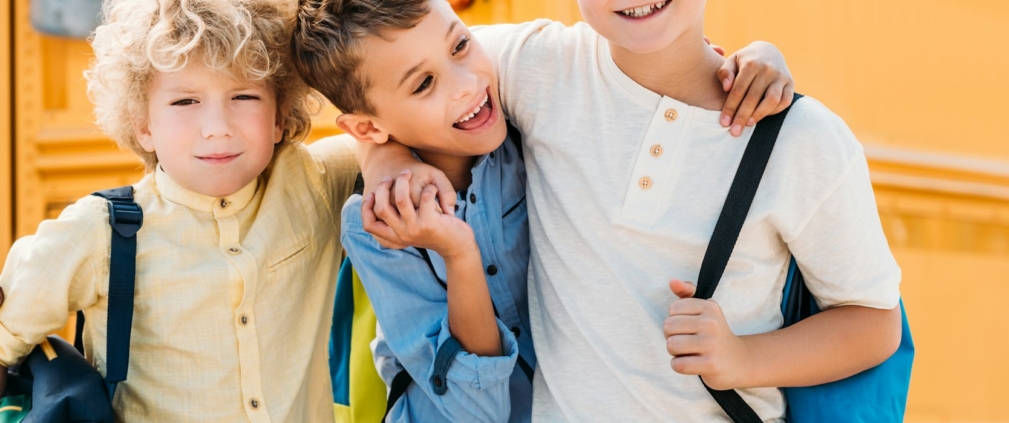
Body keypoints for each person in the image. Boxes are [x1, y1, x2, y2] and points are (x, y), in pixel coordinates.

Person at [368, 0, 905, 421]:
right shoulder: (539, 67)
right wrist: (384, 157)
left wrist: (745, 358)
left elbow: (874, 324)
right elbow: (390, 82)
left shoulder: (804, 141)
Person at [291, 0, 795, 421]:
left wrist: (760, 58)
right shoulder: (379, 225)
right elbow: (472, 411)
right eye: (424, 85)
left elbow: (647, 67)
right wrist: (458, 252)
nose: (466, 83)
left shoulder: (531, 126)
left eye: (462, 46)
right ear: (365, 129)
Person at [0, 0, 406, 420]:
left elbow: (389, 134)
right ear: (143, 124)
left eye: (244, 96)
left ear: (279, 116)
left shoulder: (313, 183)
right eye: (185, 102)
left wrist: (389, 159)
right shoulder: (101, 230)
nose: (218, 127)